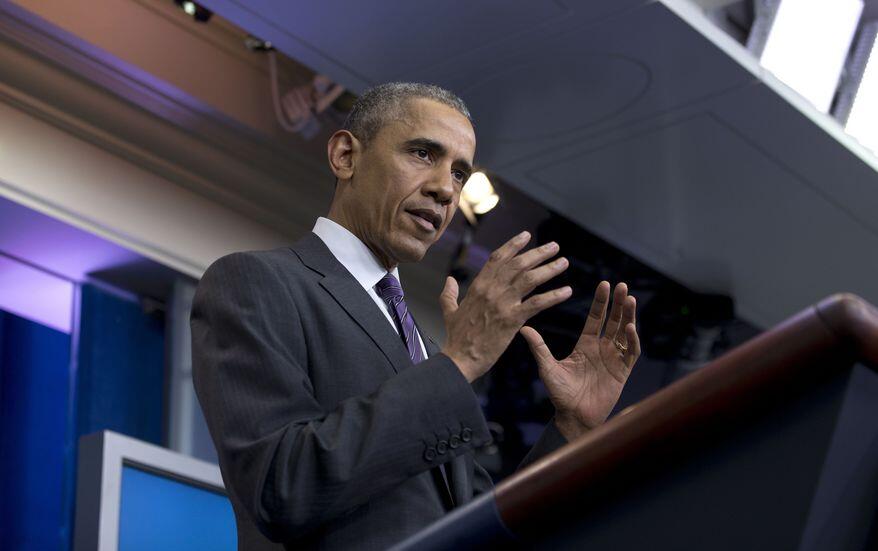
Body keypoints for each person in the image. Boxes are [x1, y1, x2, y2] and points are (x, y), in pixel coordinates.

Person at [191, 82, 641, 550]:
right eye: (423, 153)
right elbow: (279, 489)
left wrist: (572, 430)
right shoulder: (255, 282)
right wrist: (461, 360)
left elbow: (483, 527)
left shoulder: (424, 351)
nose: (446, 189)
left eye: (461, 173)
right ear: (346, 156)